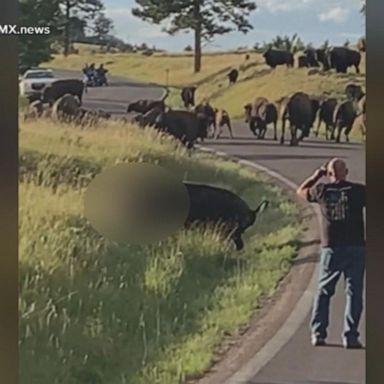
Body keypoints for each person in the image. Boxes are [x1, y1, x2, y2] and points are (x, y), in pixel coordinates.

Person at [296, 158, 365, 349]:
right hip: (356, 246)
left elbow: (300, 191)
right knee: (354, 293)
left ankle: (318, 333)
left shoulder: (321, 190)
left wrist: (316, 176)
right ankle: (350, 336)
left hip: (331, 247)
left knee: (324, 291)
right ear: (347, 172)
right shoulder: (358, 191)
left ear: (328, 173)